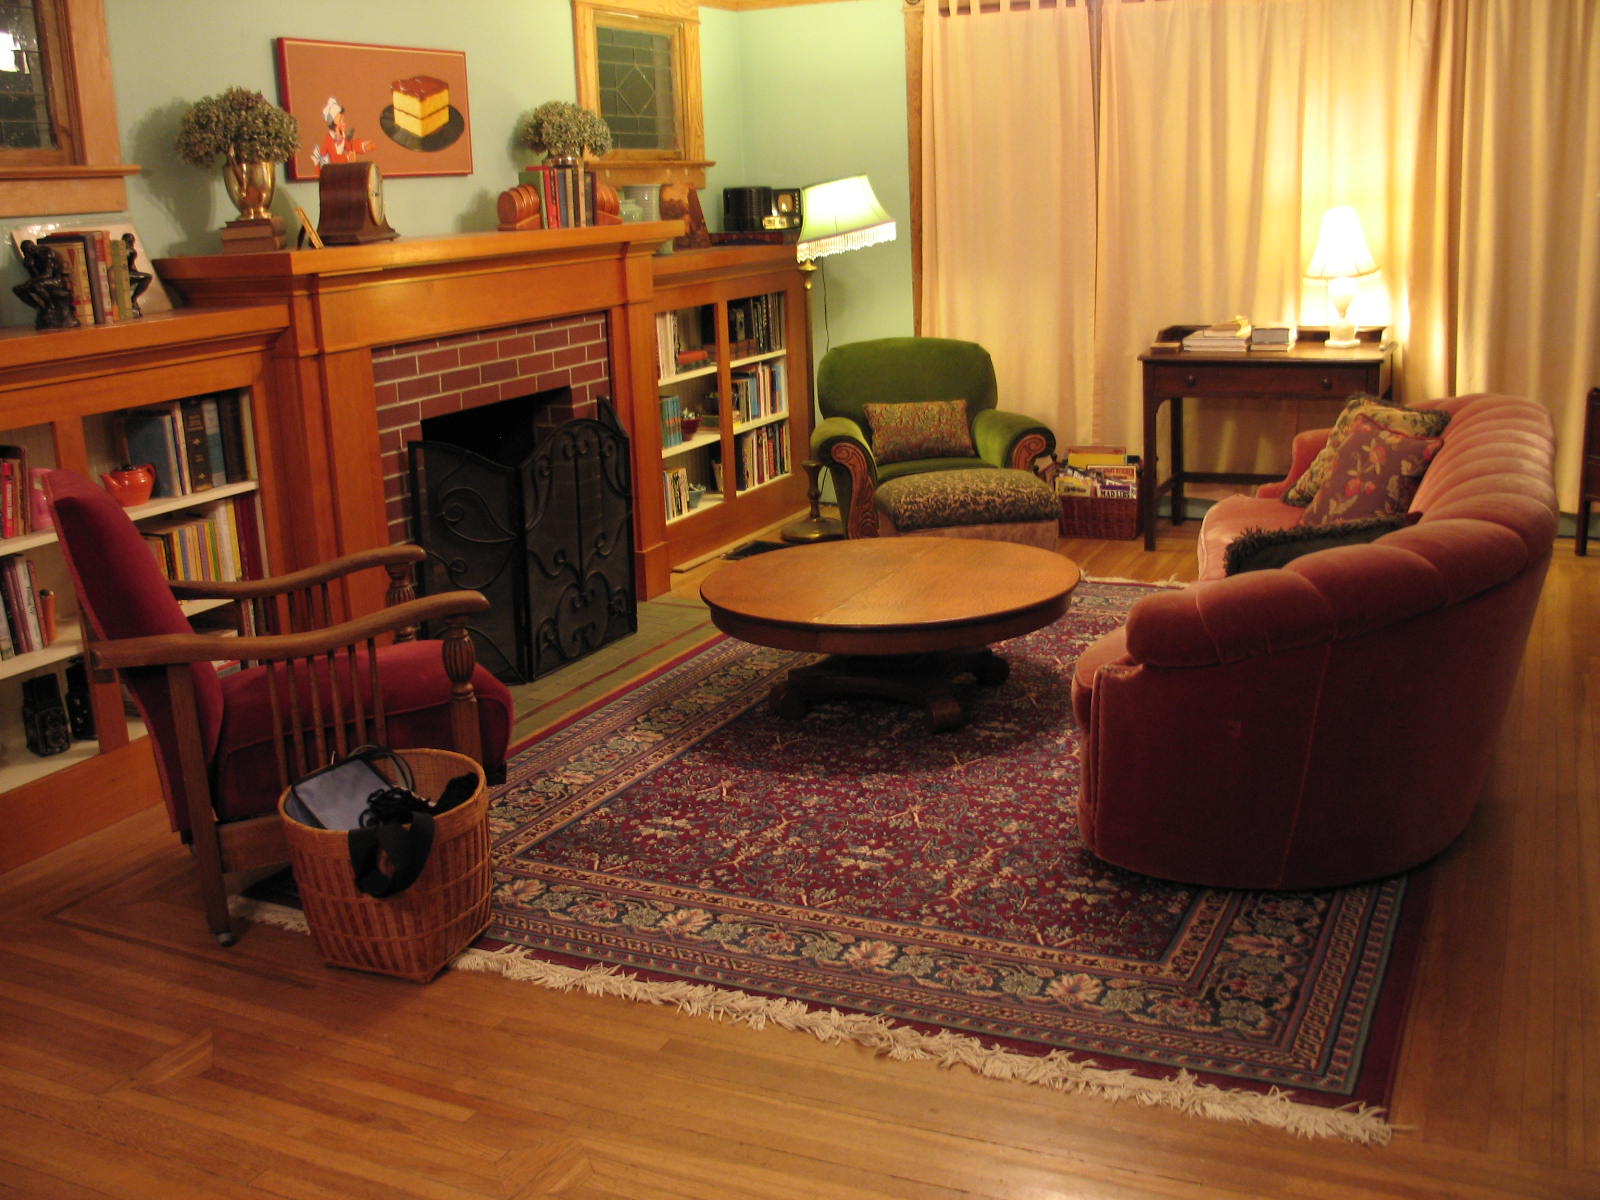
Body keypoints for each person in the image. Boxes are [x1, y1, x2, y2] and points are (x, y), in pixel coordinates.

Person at [311, 97, 374, 167]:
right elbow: (334, 158)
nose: (343, 123)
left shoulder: (342, 135)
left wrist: (363, 146)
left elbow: (349, 146)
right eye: (340, 121)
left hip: (336, 168)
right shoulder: (329, 139)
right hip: (327, 170)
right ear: (334, 124)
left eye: (343, 120)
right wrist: (347, 157)